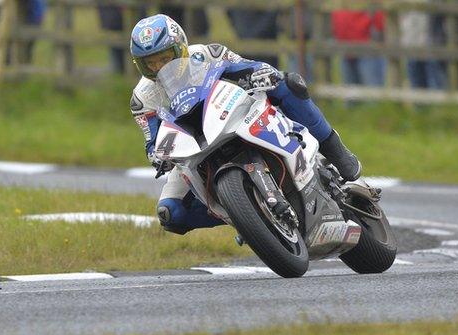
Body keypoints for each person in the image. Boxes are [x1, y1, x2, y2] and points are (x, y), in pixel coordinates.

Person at [129, 14, 361, 234]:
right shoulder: (142, 98)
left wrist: (262, 73)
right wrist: (157, 156)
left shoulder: (207, 54)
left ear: (180, 47)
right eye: (150, 63)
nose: (159, 67)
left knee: (289, 83)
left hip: (231, 115)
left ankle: (334, 148)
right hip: (192, 145)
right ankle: (250, 222)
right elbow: (152, 139)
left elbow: (245, 66)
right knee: (170, 214)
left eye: (165, 58)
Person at [331, 9, 386, 87]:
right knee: (350, 95)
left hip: (368, 49)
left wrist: (377, 33)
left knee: (372, 93)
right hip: (345, 49)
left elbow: (379, 10)